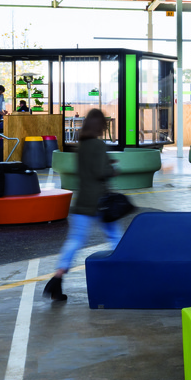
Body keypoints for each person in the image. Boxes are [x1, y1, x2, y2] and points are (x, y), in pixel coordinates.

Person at [44, 109, 123, 302]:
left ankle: (58, 277)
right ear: (100, 126)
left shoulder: (82, 145)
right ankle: (123, 272)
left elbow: (88, 169)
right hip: (100, 202)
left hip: (82, 202)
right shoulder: (97, 144)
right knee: (115, 236)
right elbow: (100, 171)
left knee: (75, 241)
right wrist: (112, 168)